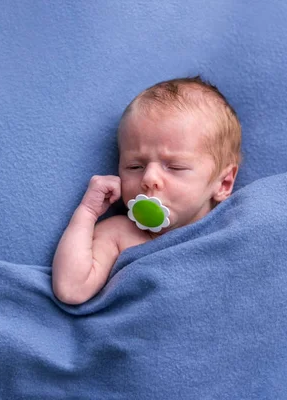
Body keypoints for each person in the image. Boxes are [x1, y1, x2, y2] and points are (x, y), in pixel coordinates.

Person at [52, 76, 242, 305]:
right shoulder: (118, 234)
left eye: (174, 167)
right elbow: (71, 289)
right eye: (135, 166)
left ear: (223, 184)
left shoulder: (231, 228)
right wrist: (87, 213)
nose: (149, 178)